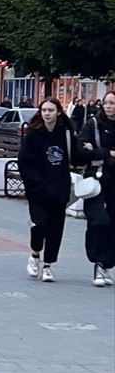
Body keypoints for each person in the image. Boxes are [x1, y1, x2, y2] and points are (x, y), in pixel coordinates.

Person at [17, 97, 95, 283]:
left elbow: (74, 158)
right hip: (37, 190)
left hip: (59, 188)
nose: (47, 114)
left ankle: (48, 265)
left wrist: (90, 153)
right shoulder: (33, 134)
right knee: (39, 223)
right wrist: (34, 183)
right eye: (44, 110)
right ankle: (35, 254)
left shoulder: (66, 134)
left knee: (55, 229)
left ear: (58, 112)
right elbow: (24, 162)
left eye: (51, 110)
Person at [79, 90, 115, 286]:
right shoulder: (92, 125)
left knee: (113, 223)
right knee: (99, 220)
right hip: (97, 181)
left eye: (112, 103)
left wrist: (100, 155)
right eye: (106, 102)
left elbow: (95, 152)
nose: (109, 106)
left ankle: (107, 265)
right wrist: (108, 153)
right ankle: (98, 262)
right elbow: (83, 149)